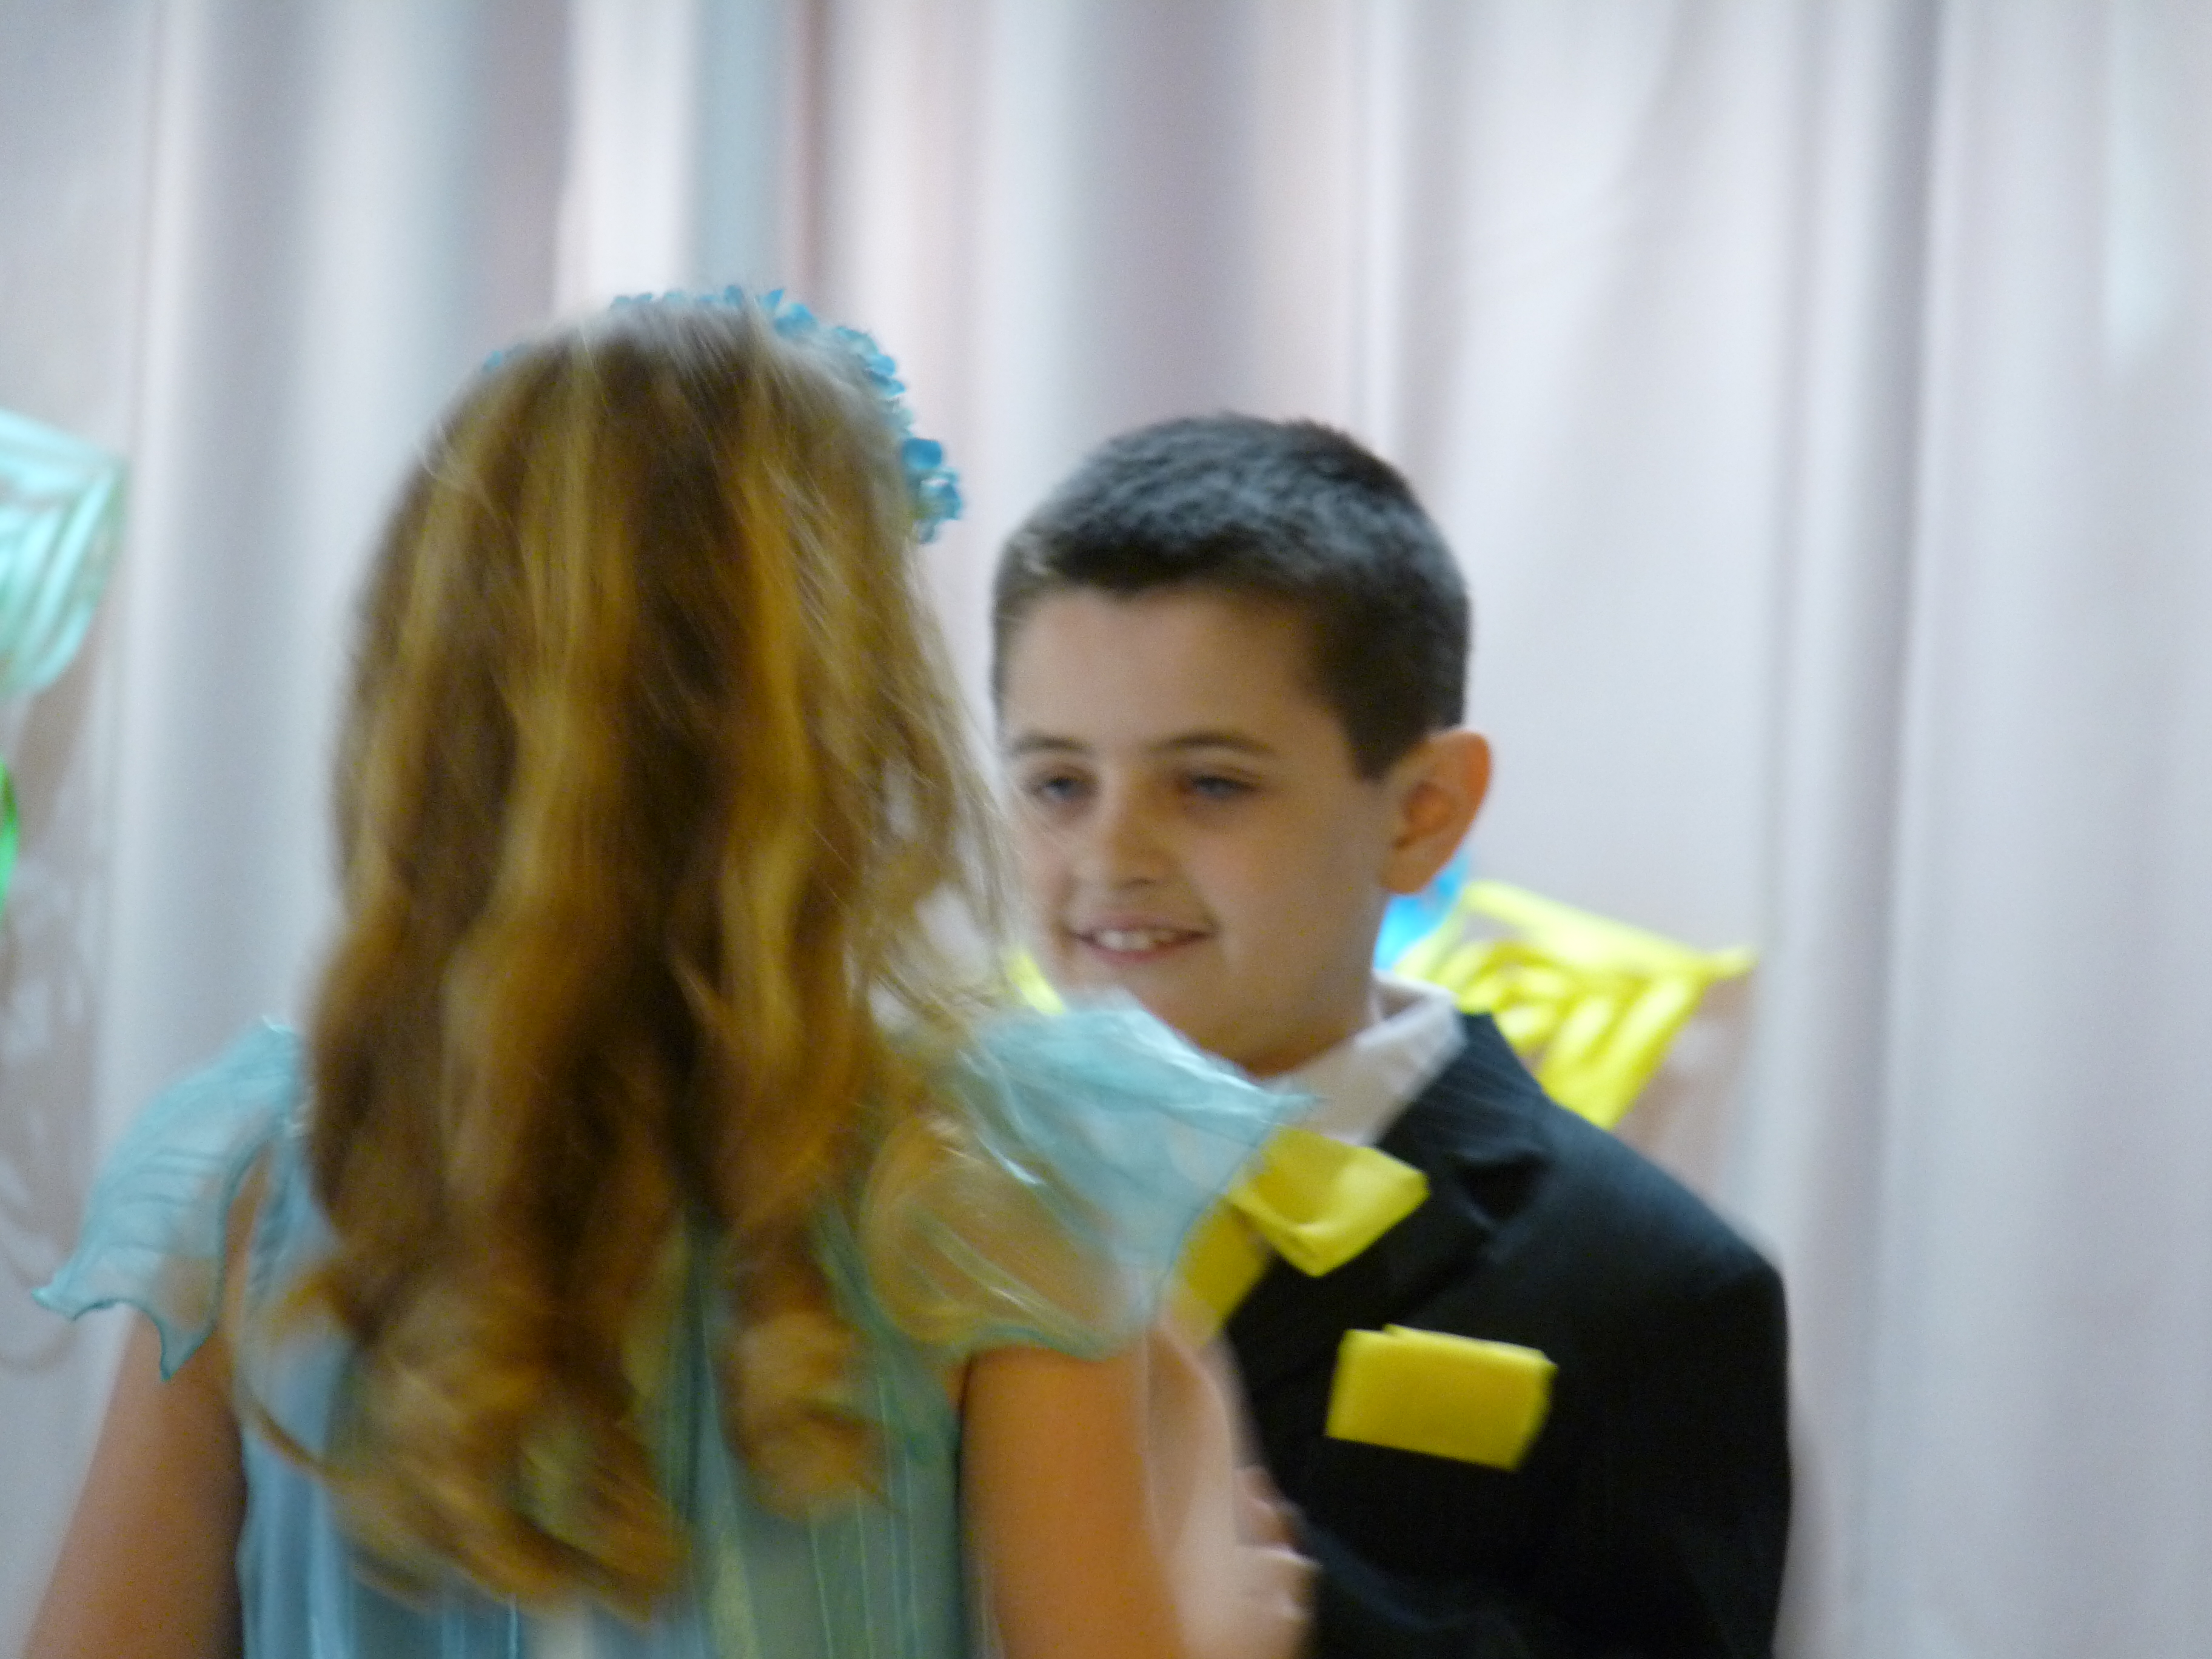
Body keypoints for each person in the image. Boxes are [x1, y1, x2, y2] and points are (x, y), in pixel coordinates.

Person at [27, 298, 1312, 1659]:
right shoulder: (998, 1181)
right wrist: (1220, 1597)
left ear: (422, 692)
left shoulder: (264, 1179)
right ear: (859, 710)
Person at [991, 414, 1791, 1658]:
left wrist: (1300, 1613)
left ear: (1422, 812)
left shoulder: (1655, 1286)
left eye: (1211, 784)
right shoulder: (937, 1186)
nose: (1110, 856)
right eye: (1058, 784)